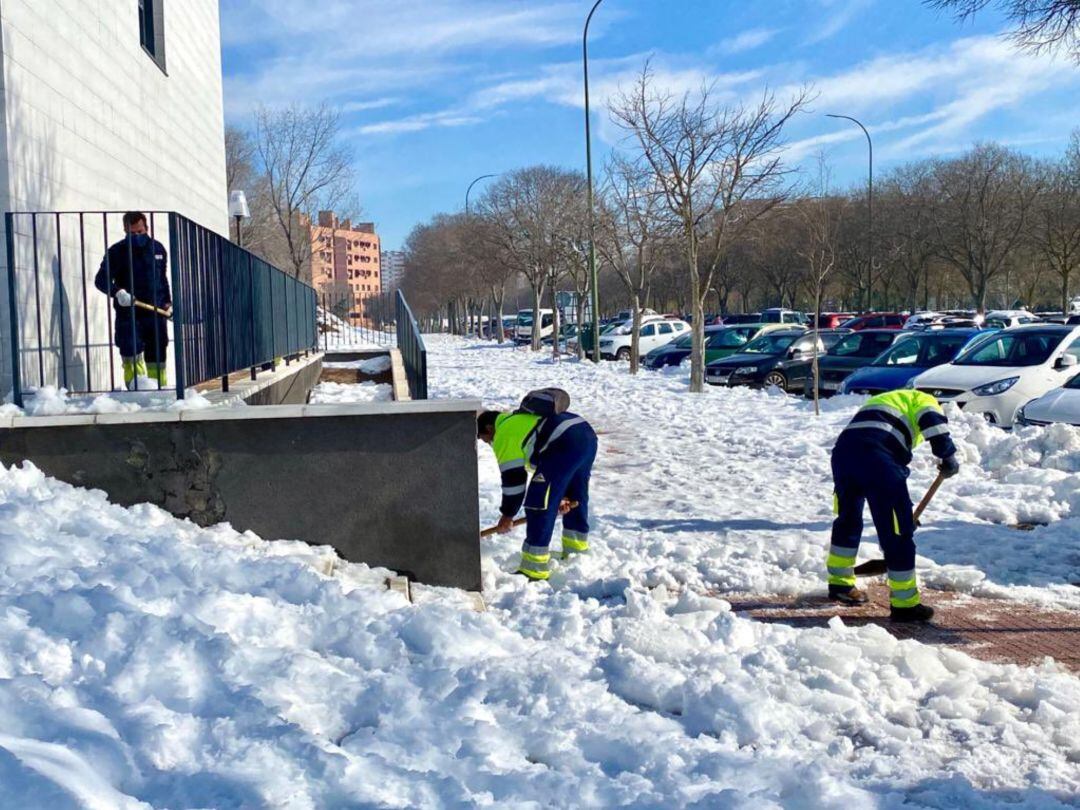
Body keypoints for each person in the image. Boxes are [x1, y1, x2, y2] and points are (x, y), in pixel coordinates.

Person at [827, 389, 959, 622]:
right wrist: (947, 456)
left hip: (843, 455)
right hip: (878, 457)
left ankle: (840, 584)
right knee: (898, 532)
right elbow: (933, 424)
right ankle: (905, 605)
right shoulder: (925, 400)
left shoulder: (884, 399)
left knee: (848, 519)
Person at [477, 402, 598, 581]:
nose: (488, 443)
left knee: (538, 502)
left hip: (565, 442)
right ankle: (576, 553)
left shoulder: (504, 433)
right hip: (585, 435)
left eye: (485, 439)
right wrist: (558, 496)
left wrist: (507, 515)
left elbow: (514, 481)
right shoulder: (517, 420)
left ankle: (534, 569)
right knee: (574, 495)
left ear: (489, 428)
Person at [94, 211, 171, 389]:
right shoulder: (116, 251)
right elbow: (101, 279)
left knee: (157, 354)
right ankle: (136, 391)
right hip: (129, 313)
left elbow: (162, 279)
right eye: (132, 233)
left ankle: (160, 392)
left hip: (155, 311)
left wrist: (167, 302)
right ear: (125, 230)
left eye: (140, 232)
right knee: (131, 352)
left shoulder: (158, 249)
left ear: (147, 228)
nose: (136, 237)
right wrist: (118, 292)